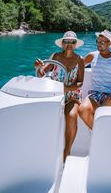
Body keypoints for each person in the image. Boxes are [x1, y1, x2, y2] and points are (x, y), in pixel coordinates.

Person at [34, 31, 84, 161]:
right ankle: (43, 150)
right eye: (66, 41)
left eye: (72, 42)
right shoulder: (55, 57)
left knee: (72, 116)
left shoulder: (80, 60)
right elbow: (42, 74)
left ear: (75, 44)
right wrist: (39, 67)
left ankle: (67, 152)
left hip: (72, 95)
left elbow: (79, 83)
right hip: (54, 94)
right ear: (62, 43)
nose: (69, 44)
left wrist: (65, 89)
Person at [79, 30, 111, 129]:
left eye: (102, 42)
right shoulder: (92, 56)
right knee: (82, 109)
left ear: (109, 43)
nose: (99, 44)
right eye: (98, 41)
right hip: (96, 94)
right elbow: (78, 67)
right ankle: (99, 133)